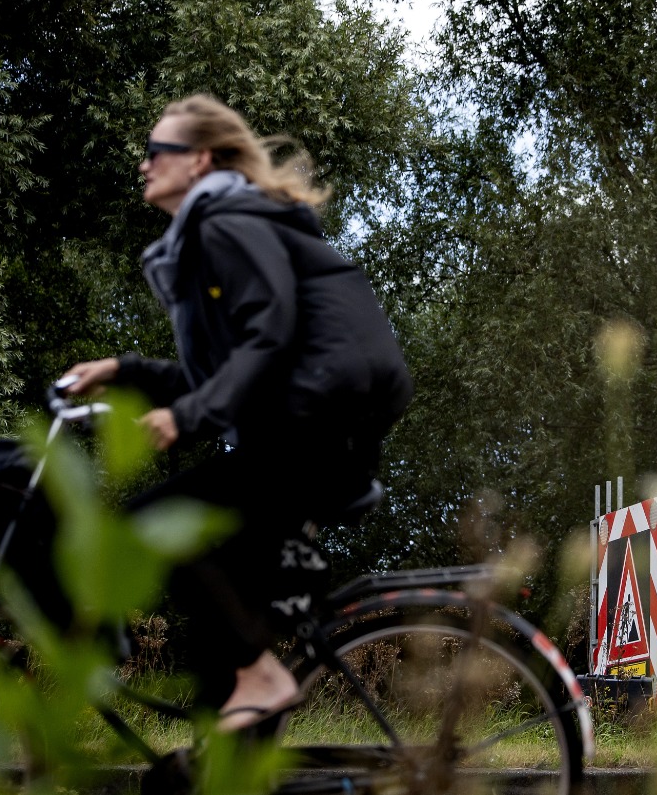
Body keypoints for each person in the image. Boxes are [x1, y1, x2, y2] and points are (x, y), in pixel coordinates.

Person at [61, 94, 412, 733]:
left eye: (156, 152)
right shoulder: (224, 225)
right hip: (316, 425)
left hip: (314, 426)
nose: (144, 164)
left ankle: (262, 678)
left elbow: (268, 334)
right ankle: (230, 741)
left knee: (151, 526)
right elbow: (225, 372)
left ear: (198, 160)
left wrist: (188, 417)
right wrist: (124, 370)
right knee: (216, 633)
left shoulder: (225, 222)